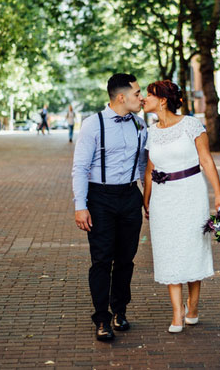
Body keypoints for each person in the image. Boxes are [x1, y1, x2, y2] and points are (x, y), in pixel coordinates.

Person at [142, 80, 220, 333]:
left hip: (191, 192)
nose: (145, 98)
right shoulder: (152, 130)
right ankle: (177, 312)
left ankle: (193, 306)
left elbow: (206, 160)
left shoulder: (191, 124)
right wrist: (146, 200)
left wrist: (219, 194)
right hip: (162, 197)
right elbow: (150, 170)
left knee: (191, 247)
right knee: (168, 250)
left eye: (149, 94)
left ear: (163, 100)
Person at [71, 73, 147, 342]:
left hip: (129, 197)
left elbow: (142, 166)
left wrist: (146, 198)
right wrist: (81, 206)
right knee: (102, 259)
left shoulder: (140, 124)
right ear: (121, 97)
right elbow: (80, 167)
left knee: (126, 258)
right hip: (100, 197)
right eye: (138, 93)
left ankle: (120, 310)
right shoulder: (93, 124)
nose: (142, 97)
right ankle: (102, 318)